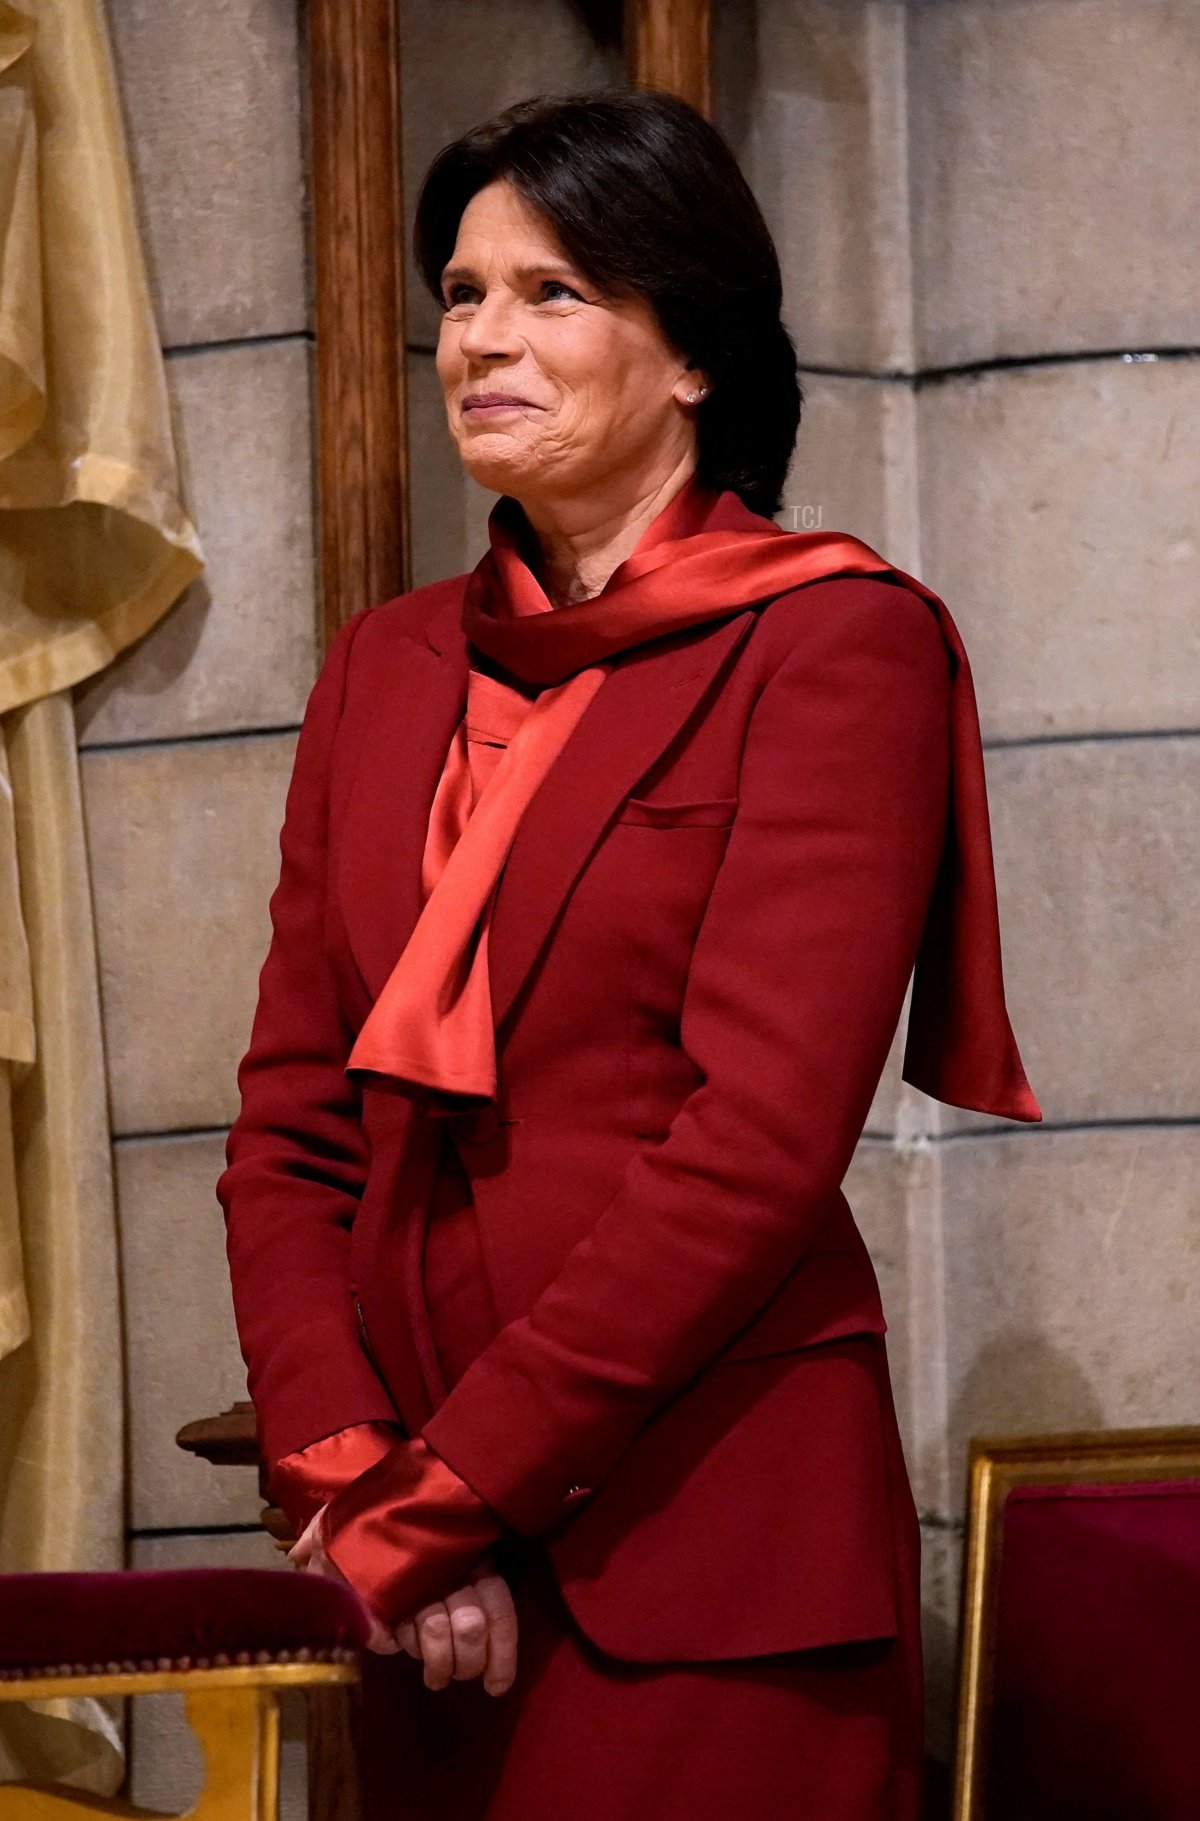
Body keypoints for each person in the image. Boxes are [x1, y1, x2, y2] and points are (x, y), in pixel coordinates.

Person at [217, 87, 1040, 1821]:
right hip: (421, 1591)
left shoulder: (832, 645)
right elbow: (292, 1120)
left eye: (552, 293)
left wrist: (457, 1491)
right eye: (461, 294)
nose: (481, 342)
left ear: (693, 356)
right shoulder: (383, 668)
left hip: (702, 1564)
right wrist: (349, 1465)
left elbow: (756, 1146)